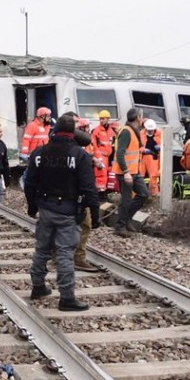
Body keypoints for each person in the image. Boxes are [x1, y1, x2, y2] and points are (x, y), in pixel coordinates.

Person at [24, 113, 98, 311]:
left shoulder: (39, 153)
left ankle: (38, 286)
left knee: (42, 249)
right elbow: (89, 188)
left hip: (46, 207)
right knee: (65, 253)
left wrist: (32, 206)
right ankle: (66, 298)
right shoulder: (80, 155)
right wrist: (95, 215)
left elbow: (29, 183)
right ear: (73, 132)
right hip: (68, 210)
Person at [113, 108, 150, 238]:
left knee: (144, 194)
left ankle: (126, 219)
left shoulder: (134, 131)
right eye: (141, 116)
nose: (143, 118)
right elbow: (120, 153)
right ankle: (120, 226)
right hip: (126, 172)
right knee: (126, 200)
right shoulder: (127, 132)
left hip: (134, 171)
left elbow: (132, 150)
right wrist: (126, 172)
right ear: (137, 118)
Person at [73, 116, 103, 272]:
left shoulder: (75, 148)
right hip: (79, 194)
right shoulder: (80, 150)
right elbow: (88, 185)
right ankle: (78, 258)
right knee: (85, 224)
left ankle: (58, 255)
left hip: (63, 196)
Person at [90, 111, 116, 192]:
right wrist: (99, 158)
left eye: (103, 119)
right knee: (101, 175)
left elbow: (113, 145)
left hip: (108, 157)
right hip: (100, 156)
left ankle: (105, 191)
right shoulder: (96, 131)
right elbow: (94, 145)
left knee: (108, 174)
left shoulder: (111, 131)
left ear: (108, 119)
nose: (101, 120)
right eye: (100, 119)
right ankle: (100, 192)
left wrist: (112, 159)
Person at [141, 119, 163, 196]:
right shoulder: (142, 134)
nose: (150, 131)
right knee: (140, 175)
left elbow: (165, 144)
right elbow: (138, 145)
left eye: (152, 130)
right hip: (143, 157)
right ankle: (140, 192)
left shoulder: (159, 133)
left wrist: (160, 147)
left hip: (154, 157)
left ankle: (154, 193)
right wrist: (143, 150)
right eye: (149, 130)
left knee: (154, 176)